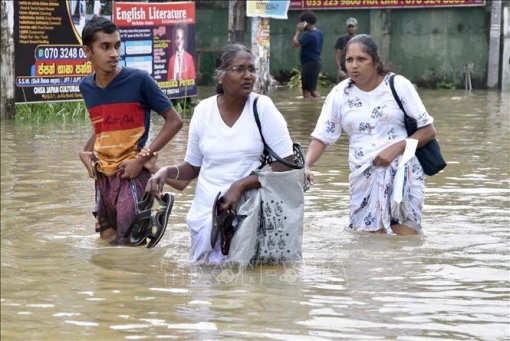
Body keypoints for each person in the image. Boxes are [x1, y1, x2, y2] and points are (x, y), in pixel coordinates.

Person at [146, 44, 295, 263]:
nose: (248, 76)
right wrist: (164, 171)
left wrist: (240, 185)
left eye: (251, 69)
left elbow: (286, 164)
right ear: (220, 77)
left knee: (242, 286)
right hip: (205, 216)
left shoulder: (262, 107)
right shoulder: (203, 111)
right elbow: (192, 167)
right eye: (239, 69)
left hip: (246, 214)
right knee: (203, 288)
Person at [304, 34, 438, 236]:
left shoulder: (398, 85)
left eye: (361, 59)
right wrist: (305, 165)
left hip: (403, 173)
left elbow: (428, 130)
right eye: (349, 60)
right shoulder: (340, 94)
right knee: (366, 242)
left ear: (376, 61)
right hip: (363, 175)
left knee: (404, 239)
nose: (354, 66)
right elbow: (323, 136)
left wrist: (395, 148)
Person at [78, 16, 183, 245]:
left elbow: (174, 121)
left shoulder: (139, 80)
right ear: (88, 51)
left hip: (131, 174)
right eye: (105, 47)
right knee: (107, 239)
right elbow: (104, 125)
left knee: (129, 246)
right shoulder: (86, 87)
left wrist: (141, 159)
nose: (114, 53)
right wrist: (84, 152)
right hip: (103, 177)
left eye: (117, 46)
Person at [291, 10, 323, 98]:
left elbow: (294, 44)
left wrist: (298, 31)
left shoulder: (309, 35)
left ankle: (308, 111)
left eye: (301, 22)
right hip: (316, 62)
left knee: (306, 91)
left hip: (309, 63)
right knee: (312, 90)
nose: (300, 24)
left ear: (305, 23)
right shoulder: (319, 33)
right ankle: (321, 105)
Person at [335, 17, 358, 83]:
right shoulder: (341, 39)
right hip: (344, 69)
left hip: (355, 70)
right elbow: (337, 55)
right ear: (346, 28)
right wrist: (339, 68)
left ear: (356, 27)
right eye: (349, 27)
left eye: (352, 26)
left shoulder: (360, 39)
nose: (351, 28)